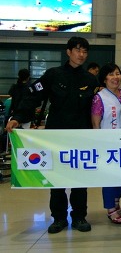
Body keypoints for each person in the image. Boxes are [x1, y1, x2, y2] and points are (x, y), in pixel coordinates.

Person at [6, 36, 100, 234]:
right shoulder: (53, 75)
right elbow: (33, 97)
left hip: (81, 137)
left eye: (85, 51)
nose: (81, 55)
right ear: (68, 52)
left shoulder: (90, 80)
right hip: (56, 137)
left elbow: (98, 108)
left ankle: (79, 216)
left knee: (79, 180)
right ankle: (58, 218)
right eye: (77, 50)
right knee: (56, 179)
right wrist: (17, 117)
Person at [91, 63, 121, 224]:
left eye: (117, 73)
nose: (115, 77)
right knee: (110, 176)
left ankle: (117, 200)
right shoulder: (100, 97)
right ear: (104, 78)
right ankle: (110, 208)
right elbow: (96, 123)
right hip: (108, 143)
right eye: (111, 74)